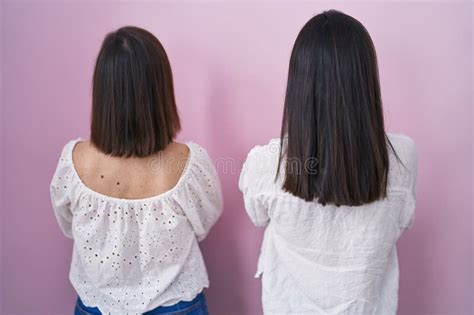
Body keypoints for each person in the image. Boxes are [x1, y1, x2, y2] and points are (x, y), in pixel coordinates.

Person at [239, 10, 418, 315]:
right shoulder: (403, 157)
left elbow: (257, 216)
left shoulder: (266, 164)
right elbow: (402, 221)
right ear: (366, 80)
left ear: (298, 84)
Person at [50, 26, 223, 314]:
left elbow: (68, 226)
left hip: (96, 306)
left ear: (103, 90)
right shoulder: (189, 163)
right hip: (176, 305)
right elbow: (204, 223)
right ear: (161, 89)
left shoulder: (74, 162)